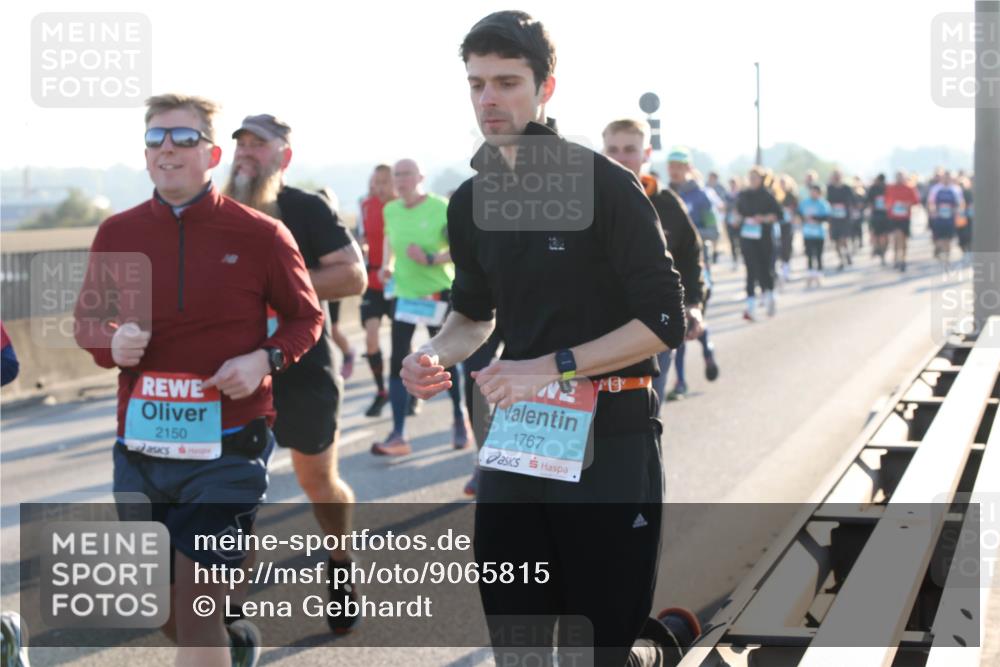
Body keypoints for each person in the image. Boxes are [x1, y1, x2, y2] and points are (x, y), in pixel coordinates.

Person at [402, 12, 698, 665]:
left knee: (598, 649)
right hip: (519, 441)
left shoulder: (605, 185)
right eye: (477, 83)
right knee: (521, 643)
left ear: (546, 88)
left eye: (507, 82)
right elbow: (475, 315)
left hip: (611, 434)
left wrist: (555, 366)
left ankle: (655, 647)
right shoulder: (472, 199)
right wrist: (432, 353)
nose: (488, 98)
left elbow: (665, 320)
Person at [73, 94, 324, 667]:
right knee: (164, 611)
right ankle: (235, 645)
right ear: (144, 154)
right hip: (141, 449)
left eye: (184, 138)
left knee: (195, 610)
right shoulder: (118, 231)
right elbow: (88, 321)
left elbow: (306, 318)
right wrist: (109, 342)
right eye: (156, 137)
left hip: (229, 446)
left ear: (212, 154)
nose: (168, 148)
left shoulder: (261, 234)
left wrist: (265, 360)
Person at [223, 113, 367, 634]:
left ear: (284, 156)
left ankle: (340, 563)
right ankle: (231, 614)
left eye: (259, 145)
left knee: (318, 480)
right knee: (236, 491)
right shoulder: (210, 211)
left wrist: (276, 288)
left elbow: (353, 275)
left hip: (302, 367)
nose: (246, 154)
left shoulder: (305, 208)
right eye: (240, 144)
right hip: (232, 374)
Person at [604, 123, 710, 410]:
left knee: (647, 416)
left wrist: (694, 303)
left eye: (630, 150)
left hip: (653, 329)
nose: (620, 157)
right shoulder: (584, 201)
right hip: (597, 333)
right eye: (613, 149)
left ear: (646, 153)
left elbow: (690, 256)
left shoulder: (666, 203)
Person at [371, 158, 469, 456]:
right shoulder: (390, 209)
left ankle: (458, 419)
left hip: (438, 293)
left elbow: (461, 249)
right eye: (396, 175)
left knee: (443, 360)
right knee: (399, 361)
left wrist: (430, 259)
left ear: (420, 177)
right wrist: (386, 267)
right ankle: (398, 434)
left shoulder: (440, 207)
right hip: (406, 295)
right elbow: (391, 242)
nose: (400, 180)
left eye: (406, 174)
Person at [358, 164, 398, 416]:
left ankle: (405, 390)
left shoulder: (401, 206)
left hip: (398, 283)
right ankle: (381, 391)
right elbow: (362, 236)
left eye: (385, 181)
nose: (380, 186)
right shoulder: (366, 205)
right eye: (376, 181)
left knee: (400, 342)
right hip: (372, 282)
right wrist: (360, 246)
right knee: (370, 338)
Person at [737, 167, 782, 320]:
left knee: (765, 268)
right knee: (750, 269)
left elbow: (778, 215)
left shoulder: (768, 195)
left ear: (762, 179)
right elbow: (737, 213)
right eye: (750, 177)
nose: (752, 180)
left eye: (755, 178)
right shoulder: (743, 195)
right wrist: (740, 219)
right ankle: (750, 307)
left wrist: (763, 218)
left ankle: (769, 296)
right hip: (747, 236)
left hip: (764, 237)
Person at [926, 170, 966, 268]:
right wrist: (933, 212)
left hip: (950, 218)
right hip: (938, 217)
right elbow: (931, 202)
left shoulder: (956, 189)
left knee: (948, 238)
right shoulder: (936, 188)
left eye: (948, 177)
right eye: (945, 177)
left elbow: (961, 203)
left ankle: (946, 258)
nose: (947, 179)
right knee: (939, 238)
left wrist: (957, 212)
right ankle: (939, 249)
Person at [884, 170, 920, 272]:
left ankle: (903, 259)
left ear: (904, 177)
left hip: (905, 217)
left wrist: (908, 204)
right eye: (898, 176)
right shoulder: (890, 188)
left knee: (903, 240)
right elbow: (886, 200)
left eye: (901, 176)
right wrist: (889, 205)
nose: (899, 178)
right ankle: (896, 257)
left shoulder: (909, 188)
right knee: (896, 237)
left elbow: (916, 201)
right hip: (894, 217)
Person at [798, 184, 832, 287]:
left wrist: (814, 218)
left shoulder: (823, 204)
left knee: (818, 254)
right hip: (807, 233)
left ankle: (819, 274)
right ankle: (810, 274)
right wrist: (803, 219)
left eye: (815, 192)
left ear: (819, 193)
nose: (813, 193)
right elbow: (798, 214)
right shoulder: (804, 203)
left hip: (819, 233)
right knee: (809, 254)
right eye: (811, 191)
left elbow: (827, 217)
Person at [826, 170, 856, 270]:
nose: (836, 178)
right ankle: (841, 259)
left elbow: (853, 201)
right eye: (835, 176)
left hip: (844, 218)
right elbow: (826, 201)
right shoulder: (829, 188)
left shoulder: (847, 188)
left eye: (838, 176)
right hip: (834, 218)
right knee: (836, 240)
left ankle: (847, 253)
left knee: (843, 239)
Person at [866, 174, 890, 265]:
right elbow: (869, 202)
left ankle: (882, 252)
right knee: (877, 235)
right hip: (876, 215)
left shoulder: (887, 188)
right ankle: (878, 250)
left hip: (886, 215)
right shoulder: (873, 189)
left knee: (885, 236)